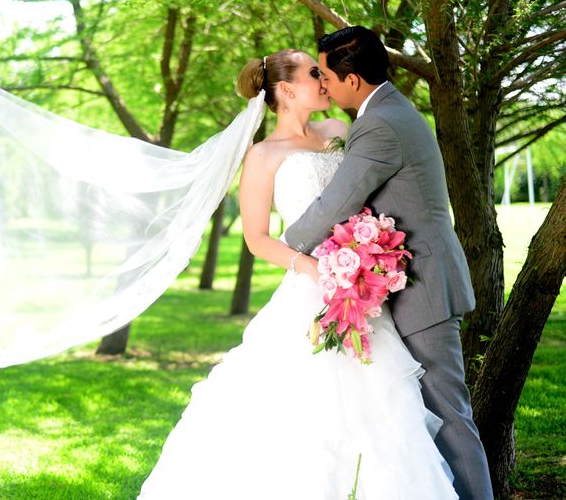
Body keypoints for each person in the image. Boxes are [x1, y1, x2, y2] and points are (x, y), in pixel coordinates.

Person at [137, 45, 461, 498]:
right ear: (287, 89)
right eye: (314, 73)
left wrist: (365, 250)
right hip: (313, 288)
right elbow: (257, 239)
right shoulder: (263, 156)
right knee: (305, 415)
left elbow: (364, 191)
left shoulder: (337, 131)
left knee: (388, 409)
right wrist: (315, 267)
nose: (324, 80)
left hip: (362, 286)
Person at [284, 26, 493, 500]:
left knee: (449, 417)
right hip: (409, 284)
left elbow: (338, 202)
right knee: (423, 420)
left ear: (352, 80)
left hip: (425, 289)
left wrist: (288, 246)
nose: (324, 86)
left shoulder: (379, 124)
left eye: (328, 77)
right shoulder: (390, 110)